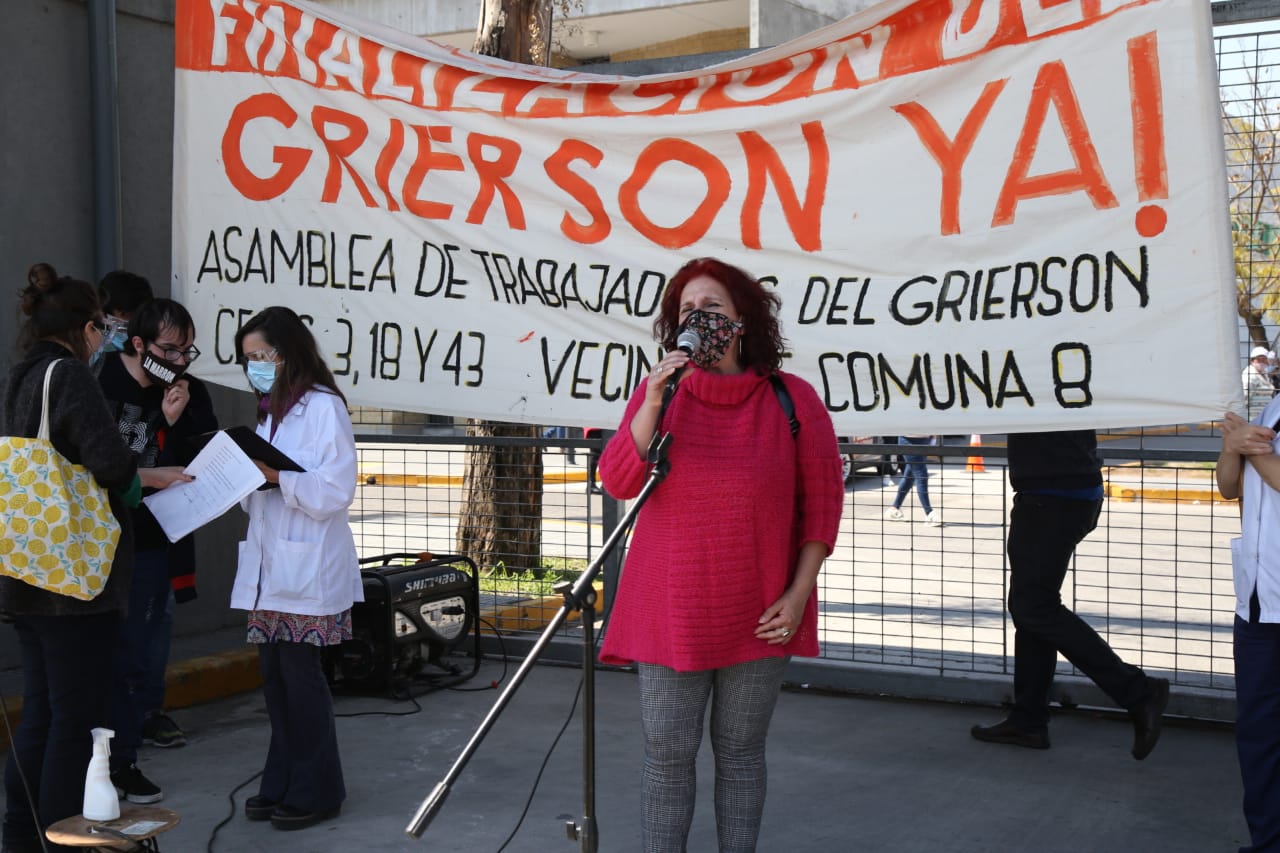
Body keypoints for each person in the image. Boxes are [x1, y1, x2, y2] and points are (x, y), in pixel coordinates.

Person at [596, 257, 844, 853]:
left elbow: (822, 507)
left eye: (712, 307)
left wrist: (798, 595)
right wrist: (652, 400)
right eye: (687, 310)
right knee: (666, 755)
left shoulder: (792, 399)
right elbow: (618, 479)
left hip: (760, 614)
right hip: (671, 612)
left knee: (740, 754)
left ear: (742, 319)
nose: (698, 318)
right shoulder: (661, 397)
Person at [0, 276, 188, 853]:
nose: (105, 338)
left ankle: (21, 835)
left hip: (28, 567)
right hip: (75, 580)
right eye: (103, 328)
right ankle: (62, 837)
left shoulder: (20, 376)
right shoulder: (71, 375)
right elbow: (110, 464)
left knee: (40, 713)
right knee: (75, 719)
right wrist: (141, 482)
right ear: (87, 328)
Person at [231, 306, 362, 832]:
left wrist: (276, 478)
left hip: (308, 569)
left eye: (262, 356)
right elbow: (259, 494)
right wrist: (244, 478)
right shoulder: (270, 412)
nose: (255, 367)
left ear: (288, 352)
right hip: (270, 568)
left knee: (301, 681)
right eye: (248, 359)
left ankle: (318, 789)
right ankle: (281, 778)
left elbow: (336, 489)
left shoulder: (324, 407)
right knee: (275, 680)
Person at [971, 429, 1169, 759]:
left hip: (1051, 494)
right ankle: (1028, 720)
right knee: (1031, 607)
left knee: (1034, 607)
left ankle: (1138, 691)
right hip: (1065, 489)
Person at [98, 296, 217, 802]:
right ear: (138, 344)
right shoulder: (100, 381)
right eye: (169, 350)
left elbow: (200, 463)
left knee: (134, 658)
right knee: (90, 659)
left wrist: (175, 421)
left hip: (148, 541)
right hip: (91, 540)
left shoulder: (188, 391)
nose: (179, 361)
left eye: (187, 351)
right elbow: (97, 466)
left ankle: (122, 762)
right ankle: (84, 765)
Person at [1218, 406, 1280, 852]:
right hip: (1258, 599)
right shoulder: (1270, 409)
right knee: (1259, 734)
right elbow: (1229, 486)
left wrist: (1250, 447)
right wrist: (1230, 449)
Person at [884, 434, 940, 526]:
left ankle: (894, 508)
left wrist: (933, 436)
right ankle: (929, 512)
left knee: (909, 476)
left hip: (924, 440)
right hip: (909, 440)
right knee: (921, 475)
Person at [1244, 346, 1276, 422]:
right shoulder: (1249, 375)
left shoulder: (1264, 374)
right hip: (1253, 417)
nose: (1262, 362)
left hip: (1265, 416)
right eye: (1259, 359)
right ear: (1252, 360)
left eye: (1264, 359)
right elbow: (1244, 396)